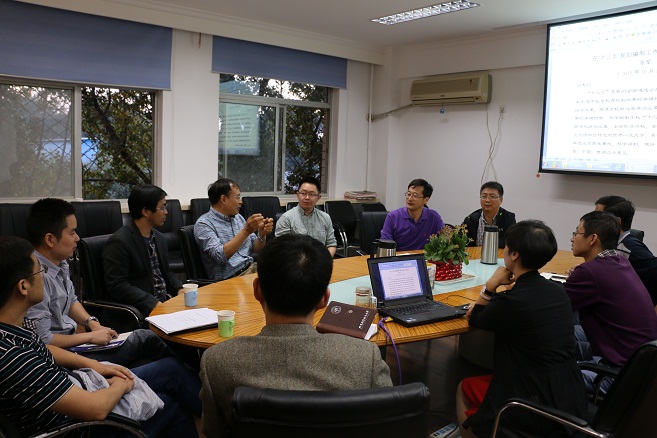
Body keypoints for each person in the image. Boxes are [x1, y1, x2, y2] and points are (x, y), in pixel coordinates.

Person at [0, 236, 202, 437]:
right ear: (23, 287)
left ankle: (214, 418)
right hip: (79, 426)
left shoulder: (13, 330)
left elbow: (47, 349)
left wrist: (96, 366)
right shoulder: (14, 357)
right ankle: (216, 421)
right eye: (40, 270)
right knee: (168, 404)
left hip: (76, 389)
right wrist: (121, 385)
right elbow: (96, 409)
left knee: (170, 371)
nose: (44, 276)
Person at [199, 234, 392, 436]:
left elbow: (214, 432)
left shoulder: (217, 362)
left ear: (257, 290)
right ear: (324, 299)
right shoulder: (365, 358)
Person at [456, 220, 587, 438]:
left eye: (507, 246)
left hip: (528, 399)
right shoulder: (558, 291)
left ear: (514, 254)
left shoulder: (511, 302)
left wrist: (490, 288)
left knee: (464, 388)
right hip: (569, 393)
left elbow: (477, 319)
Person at [24, 198, 172, 367]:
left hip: (77, 343)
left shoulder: (60, 262)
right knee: (147, 340)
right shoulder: (35, 276)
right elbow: (43, 340)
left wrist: (93, 324)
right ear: (50, 240)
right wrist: (90, 336)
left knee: (159, 351)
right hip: (64, 356)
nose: (77, 238)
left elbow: (71, 301)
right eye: (72, 233)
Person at [566, 210, 657, 393]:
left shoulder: (591, 272)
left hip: (616, 374)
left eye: (577, 233)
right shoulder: (620, 262)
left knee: (538, 373)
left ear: (593, 239)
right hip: (639, 366)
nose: (572, 238)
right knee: (564, 340)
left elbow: (550, 306)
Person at [104, 185, 183, 317]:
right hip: (142, 310)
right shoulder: (119, 242)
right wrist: (153, 303)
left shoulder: (159, 238)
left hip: (166, 302)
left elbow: (166, 271)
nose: (166, 212)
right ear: (145, 211)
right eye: (162, 207)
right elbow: (117, 285)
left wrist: (179, 288)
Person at [194, 178, 274, 281]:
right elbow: (220, 256)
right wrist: (245, 231)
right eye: (237, 197)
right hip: (231, 278)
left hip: (251, 269)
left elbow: (257, 249)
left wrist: (262, 234)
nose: (241, 202)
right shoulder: (204, 224)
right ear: (223, 199)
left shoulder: (238, 218)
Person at [595, 195, 657, 306]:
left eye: (598, 217)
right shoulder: (608, 243)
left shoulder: (632, 248)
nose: (592, 221)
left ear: (617, 222)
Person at [274, 176, 337, 256]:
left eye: (312, 194)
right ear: (298, 195)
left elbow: (331, 244)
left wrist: (326, 260)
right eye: (303, 193)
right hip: (295, 262)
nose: (307, 198)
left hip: (321, 261)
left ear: (318, 197)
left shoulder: (325, 217)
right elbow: (282, 248)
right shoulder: (286, 218)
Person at [380, 178, 444, 250]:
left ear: (426, 200)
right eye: (408, 194)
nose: (410, 199)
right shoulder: (393, 216)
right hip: (398, 256)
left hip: (422, 256)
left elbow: (444, 240)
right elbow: (385, 244)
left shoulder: (433, 217)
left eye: (415, 196)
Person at [462, 181, 516, 248]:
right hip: (474, 254)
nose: (487, 200)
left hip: (499, 254)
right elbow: (461, 242)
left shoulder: (509, 218)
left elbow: (511, 242)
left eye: (492, 196)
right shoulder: (470, 219)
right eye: (484, 196)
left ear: (501, 200)